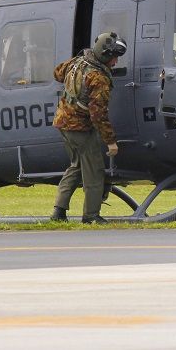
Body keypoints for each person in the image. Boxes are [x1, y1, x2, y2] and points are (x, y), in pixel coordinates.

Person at [50, 32, 126, 224]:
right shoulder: (98, 78)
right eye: (114, 57)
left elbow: (57, 73)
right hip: (80, 128)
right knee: (94, 170)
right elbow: (98, 115)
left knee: (76, 166)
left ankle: (58, 212)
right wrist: (111, 142)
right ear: (104, 55)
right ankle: (91, 216)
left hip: (63, 123)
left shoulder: (78, 62)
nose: (115, 62)